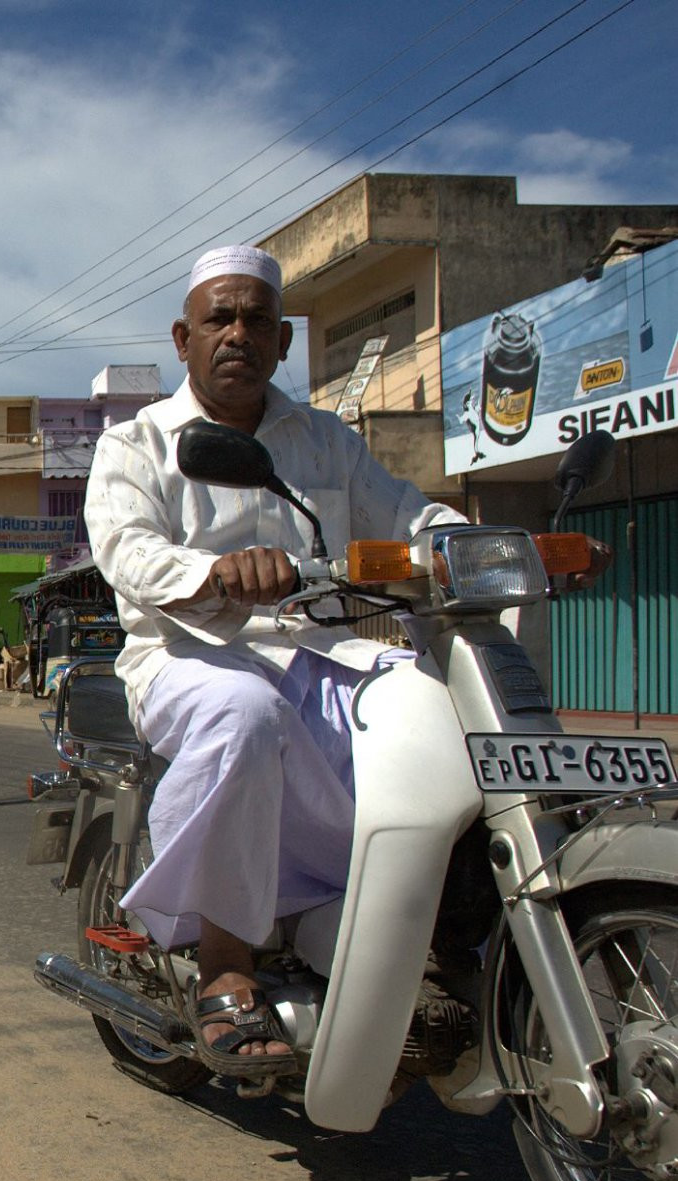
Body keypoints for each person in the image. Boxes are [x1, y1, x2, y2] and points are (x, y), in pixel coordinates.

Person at [82, 243, 478, 1067]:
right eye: (219, 318)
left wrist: (476, 546)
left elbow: (404, 513)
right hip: (185, 656)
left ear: (283, 342)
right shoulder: (135, 444)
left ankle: (401, 927)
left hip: (320, 654)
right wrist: (215, 573)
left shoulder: (324, 441)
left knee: (443, 716)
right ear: (182, 338)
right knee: (245, 713)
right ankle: (227, 962)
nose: (238, 334)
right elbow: (130, 555)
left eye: (257, 319)